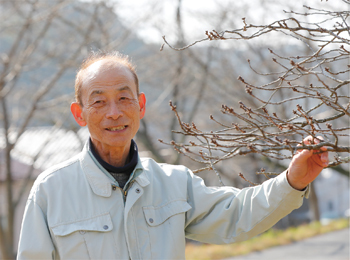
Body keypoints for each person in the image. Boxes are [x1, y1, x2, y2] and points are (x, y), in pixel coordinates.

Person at [17, 51, 329, 260]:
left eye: (124, 98)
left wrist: (292, 182)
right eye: (98, 102)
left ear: (140, 106)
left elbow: (237, 215)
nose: (114, 112)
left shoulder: (174, 183)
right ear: (79, 114)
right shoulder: (50, 191)